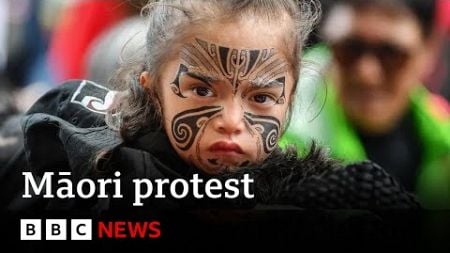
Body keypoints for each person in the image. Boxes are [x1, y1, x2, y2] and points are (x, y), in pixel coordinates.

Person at [2, 0, 419, 214]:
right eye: (202, 91)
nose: (233, 122)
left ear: (289, 101)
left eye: (260, 98)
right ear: (152, 90)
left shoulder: (311, 191)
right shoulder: (80, 160)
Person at [282, 0, 450, 209]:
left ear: (429, 51)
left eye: (391, 53)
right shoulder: (274, 135)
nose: (367, 73)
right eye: (351, 49)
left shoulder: (441, 138)